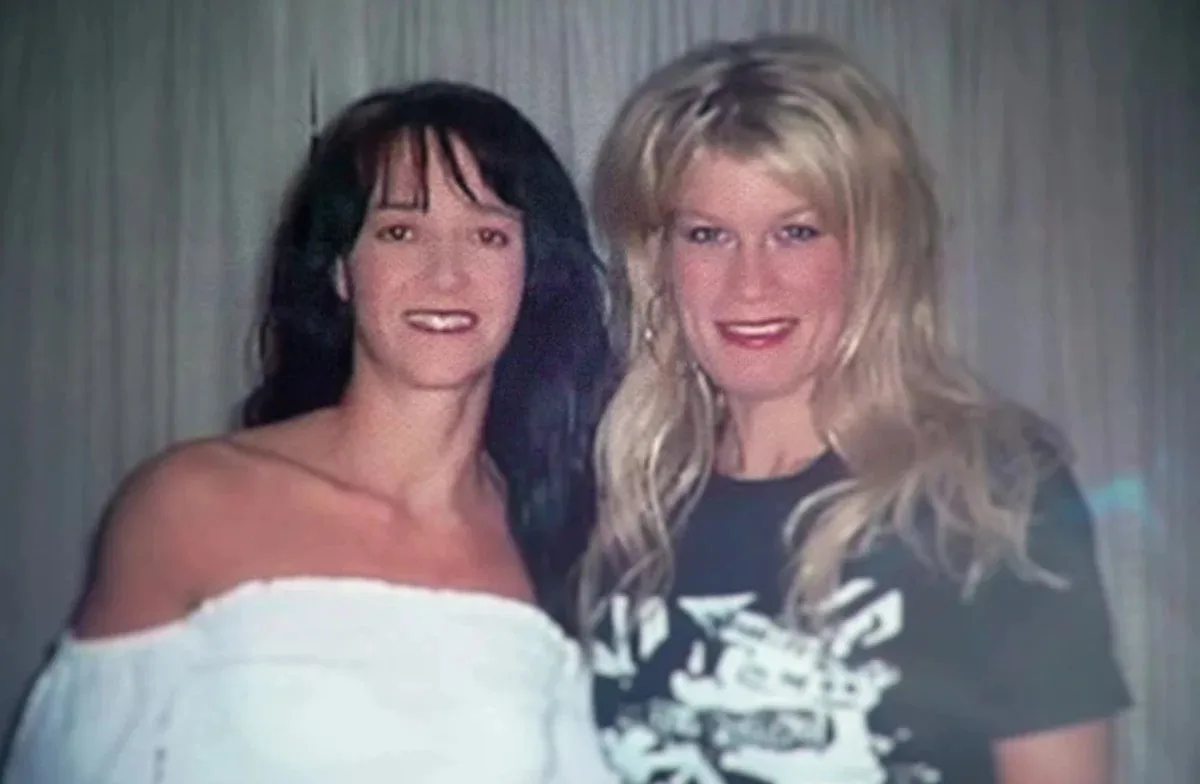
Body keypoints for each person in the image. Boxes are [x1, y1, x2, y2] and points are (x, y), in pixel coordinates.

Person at [3, 81, 618, 784]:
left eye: (487, 235)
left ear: (532, 270)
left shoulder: (563, 536)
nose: (446, 274)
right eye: (399, 231)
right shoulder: (189, 505)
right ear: (339, 270)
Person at [579, 34, 1131, 784]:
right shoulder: (622, 507)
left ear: (873, 253)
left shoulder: (989, 491)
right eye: (707, 234)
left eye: (796, 232)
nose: (750, 284)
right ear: (660, 260)